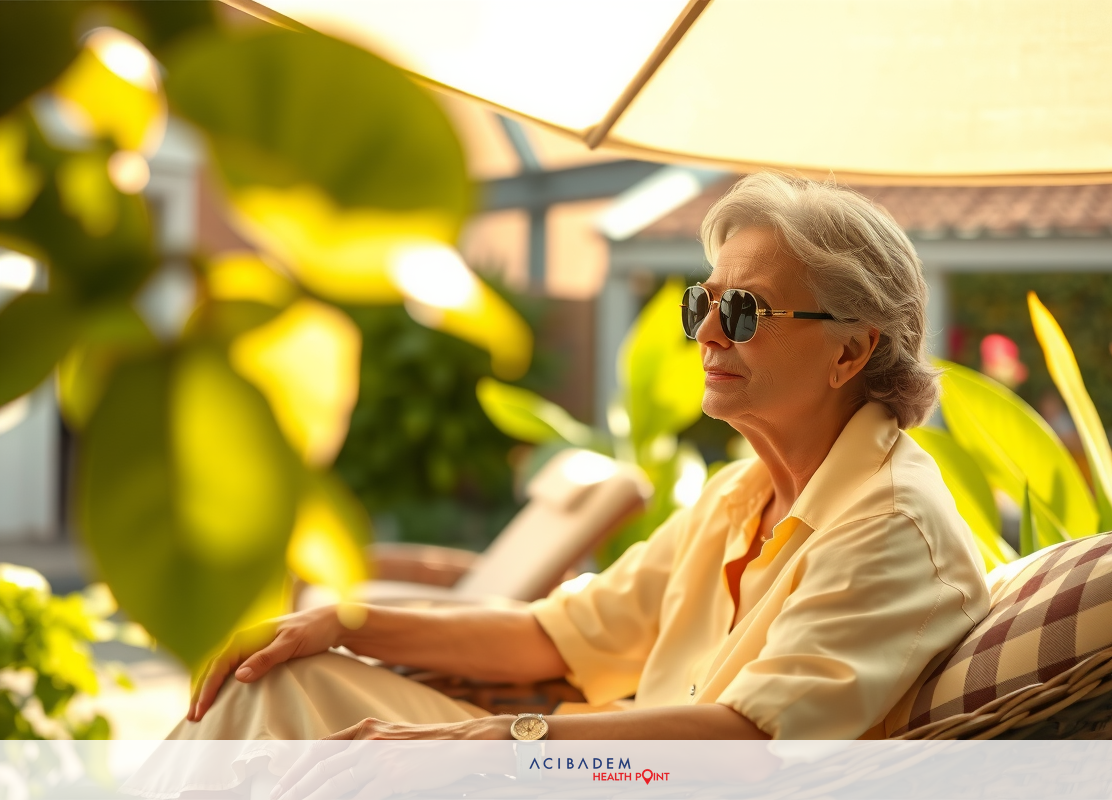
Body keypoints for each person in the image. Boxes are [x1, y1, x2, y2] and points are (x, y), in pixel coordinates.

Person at [175, 173, 988, 744]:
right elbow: (555, 639)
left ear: (850, 352)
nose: (704, 331)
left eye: (742, 310)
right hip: (580, 765)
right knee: (275, 680)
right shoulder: (742, 497)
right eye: (702, 301)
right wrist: (341, 620)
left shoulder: (888, 524)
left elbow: (750, 741)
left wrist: (504, 743)